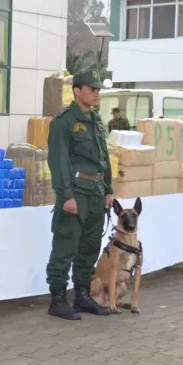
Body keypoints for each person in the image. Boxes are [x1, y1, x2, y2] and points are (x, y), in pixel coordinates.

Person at [45, 69, 114, 320]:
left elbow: (103, 156)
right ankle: (58, 300)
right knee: (65, 246)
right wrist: (66, 196)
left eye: (98, 89)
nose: (97, 94)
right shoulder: (63, 121)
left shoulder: (96, 120)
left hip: (96, 192)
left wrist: (108, 189)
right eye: (92, 89)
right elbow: (58, 161)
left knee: (89, 247)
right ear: (77, 91)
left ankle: (82, 296)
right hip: (76, 193)